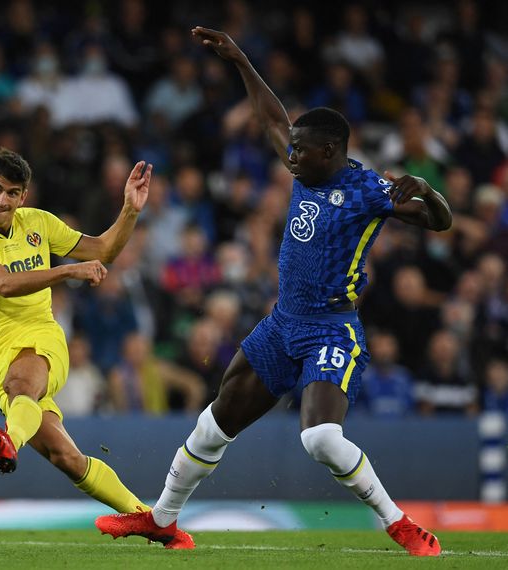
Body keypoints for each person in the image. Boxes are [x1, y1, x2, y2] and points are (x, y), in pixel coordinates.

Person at [95, 27, 452, 556]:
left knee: (320, 439)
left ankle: (399, 524)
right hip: (283, 323)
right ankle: (163, 520)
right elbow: (271, 118)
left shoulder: (367, 190)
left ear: (330, 150)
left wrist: (428, 189)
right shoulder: (304, 169)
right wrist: (240, 58)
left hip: (331, 327)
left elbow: (439, 223)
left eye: (301, 151)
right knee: (213, 424)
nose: (289, 157)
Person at [0, 148, 192, 547]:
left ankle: (8, 441)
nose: (2, 200)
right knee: (66, 458)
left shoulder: (38, 223)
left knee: (23, 384)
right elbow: (2, 283)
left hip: (42, 337)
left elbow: (103, 250)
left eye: (12, 193)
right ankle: (155, 522)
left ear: (24, 197)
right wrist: (68, 270)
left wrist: (129, 210)